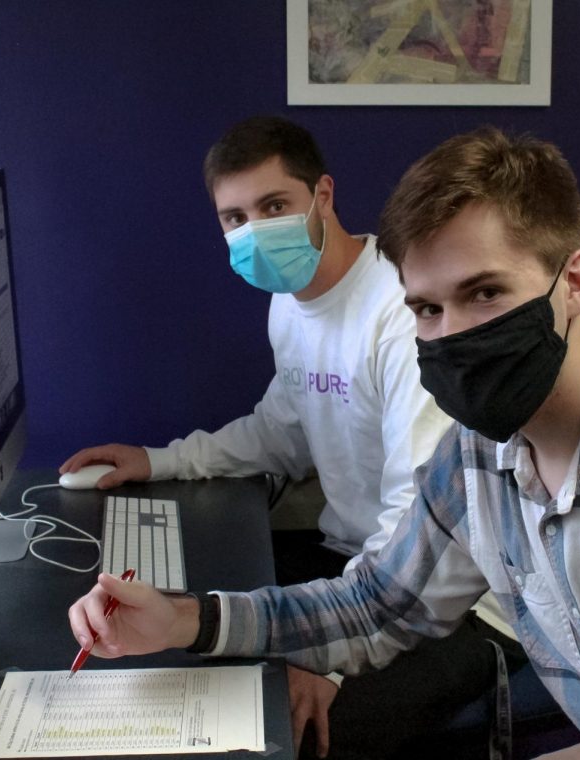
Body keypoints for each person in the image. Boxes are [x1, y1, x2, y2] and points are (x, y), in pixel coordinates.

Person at [69, 125, 580, 759]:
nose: (453, 333)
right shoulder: (476, 456)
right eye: (427, 308)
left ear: (573, 282)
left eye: (484, 293)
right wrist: (182, 620)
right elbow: (374, 605)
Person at [61, 116, 521, 759]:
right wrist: (161, 460)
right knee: (192, 646)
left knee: (280, 729)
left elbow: (420, 514)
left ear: (322, 197)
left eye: (274, 205)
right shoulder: (292, 301)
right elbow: (282, 430)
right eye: (235, 217)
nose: (255, 230)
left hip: (458, 602)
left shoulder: (405, 309)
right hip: (355, 567)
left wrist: (331, 657)